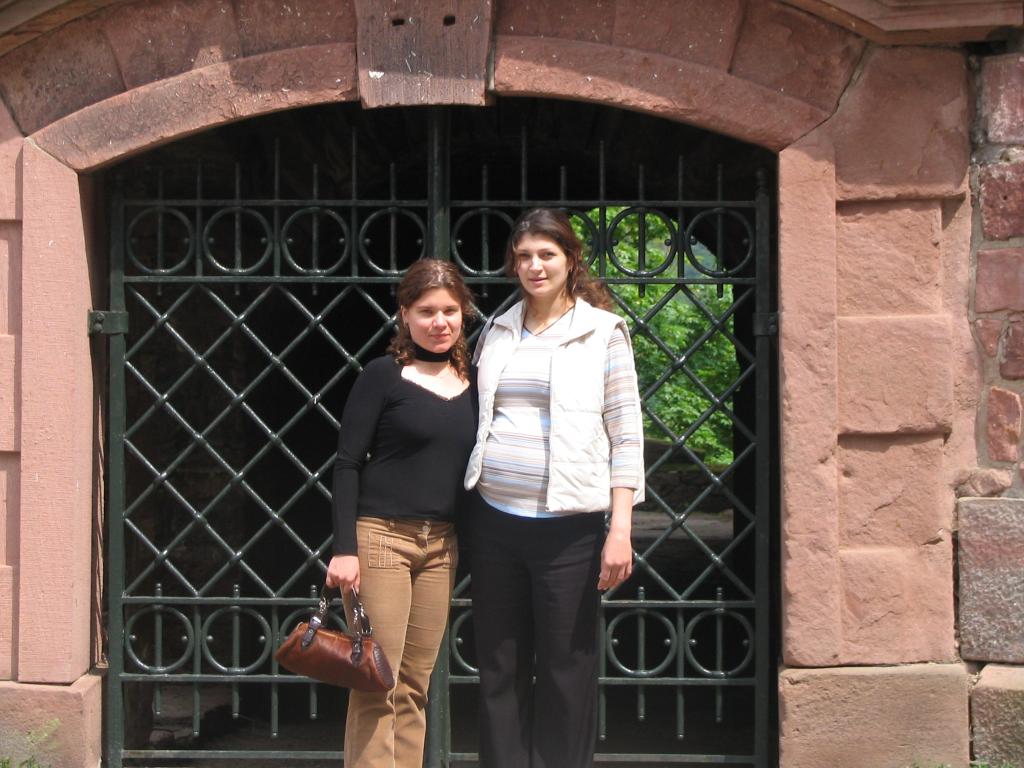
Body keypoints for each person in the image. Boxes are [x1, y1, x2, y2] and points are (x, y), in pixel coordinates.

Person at [464, 208, 645, 767]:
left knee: (567, 667)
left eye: (546, 254)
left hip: (568, 531)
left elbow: (626, 434)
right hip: (494, 520)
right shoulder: (497, 330)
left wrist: (620, 530)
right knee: (499, 665)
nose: (534, 266)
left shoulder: (602, 333)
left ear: (571, 259)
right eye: (523, 256)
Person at [327, 258, 477, 768]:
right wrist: (345, 549)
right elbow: (347, 463)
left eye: (450, 311)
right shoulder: (383, 376)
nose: (440, 322)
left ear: (463, 314)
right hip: (382, 540)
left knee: (414, 684)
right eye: (427, 311)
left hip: (441, 546)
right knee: (377, 680)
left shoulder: (476, 381)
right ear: (405, 315)